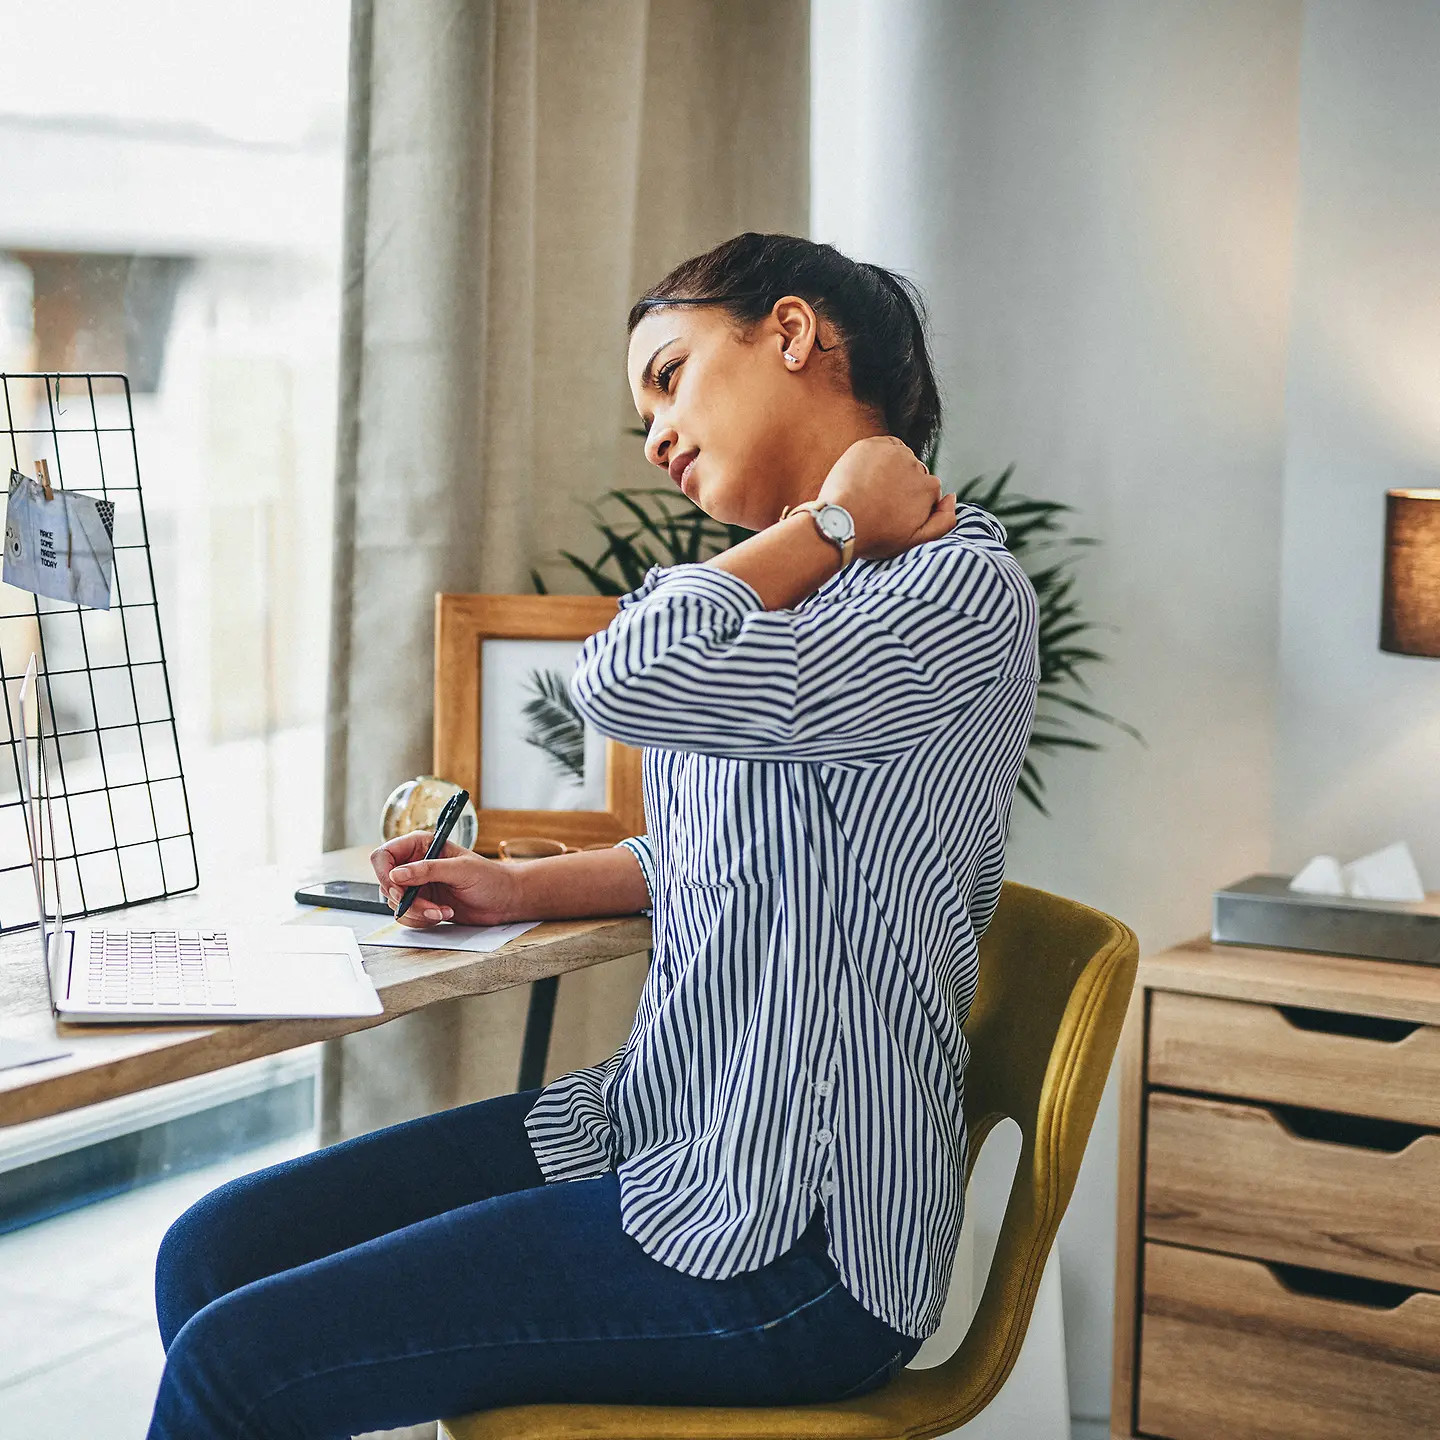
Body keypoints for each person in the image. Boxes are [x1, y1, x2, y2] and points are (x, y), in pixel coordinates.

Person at [146, 232, 1039, 1439]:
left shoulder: (948, 591)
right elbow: (708, 852)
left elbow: (621, 680)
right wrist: (515, 891)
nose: (659, 434)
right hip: (661, 1127)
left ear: (790, 333)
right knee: (213, 1254)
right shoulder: (798, 591)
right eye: (645, 412)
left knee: (234, 1364)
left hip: (796, 1242)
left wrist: (828, 522)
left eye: (670, 376)